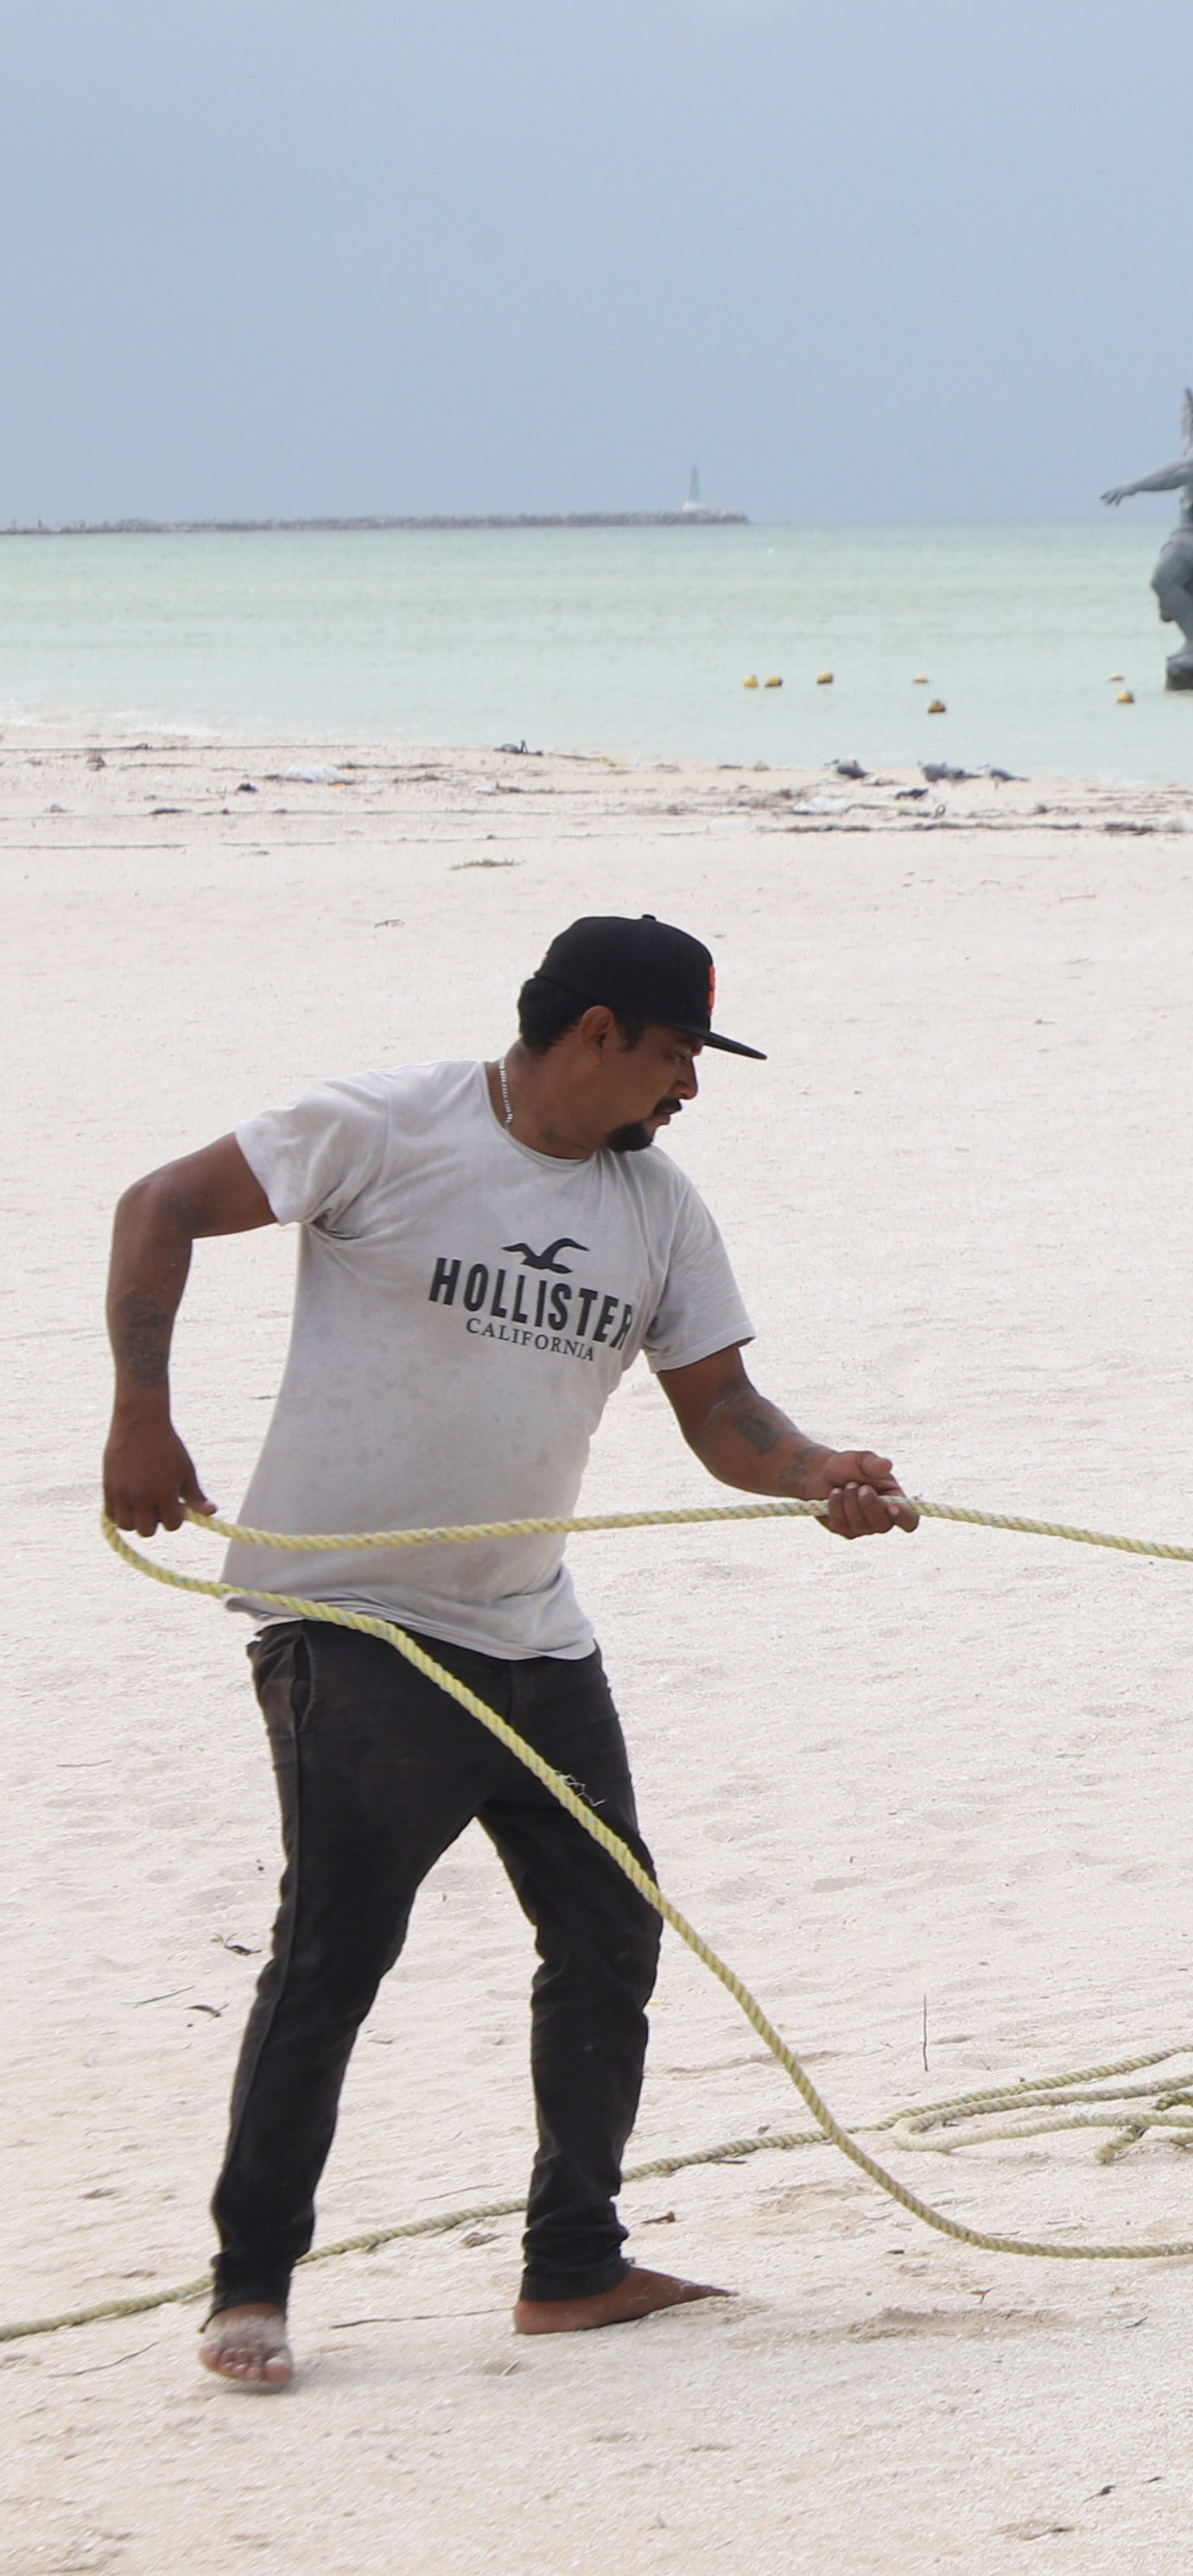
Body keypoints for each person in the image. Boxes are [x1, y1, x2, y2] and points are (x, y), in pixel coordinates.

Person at [98, 915, 917, 2392]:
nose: (688, 1087)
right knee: (336, 1953)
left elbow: (724, 1413)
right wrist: (142, 1417)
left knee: (609, 1936)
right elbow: (158, 1203)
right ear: (598, 1032)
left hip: (533, 1628)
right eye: (676, 1053)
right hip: (355, 1623)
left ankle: (574, 2267)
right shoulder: (382, 1125)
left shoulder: (658, 1208)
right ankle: (250, 2290)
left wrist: (818, 1474)